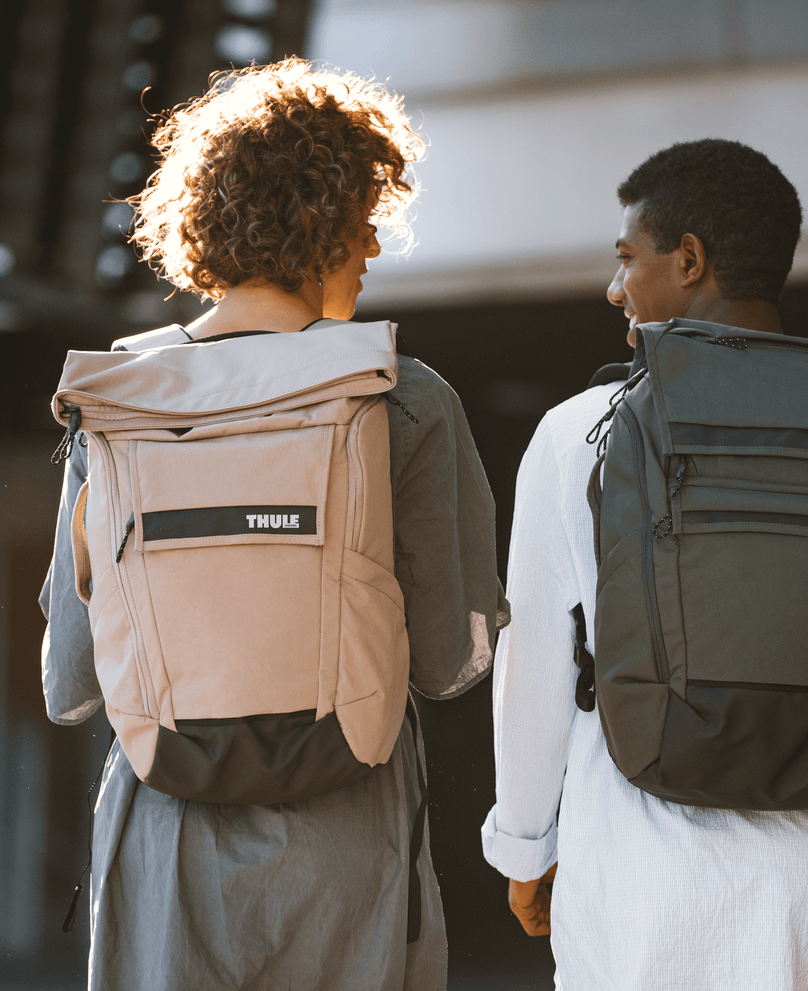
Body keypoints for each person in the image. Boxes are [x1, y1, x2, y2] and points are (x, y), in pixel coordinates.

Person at [41, 57, 508, 991]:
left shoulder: (118, 401)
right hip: (347, 829)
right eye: (368, 219)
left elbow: (69, 681)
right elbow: (450, 664)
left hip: (166, 827)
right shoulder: (400, 397)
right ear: (328, 222)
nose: (373, 248)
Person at [481, 138, 808, 990]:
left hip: (634, 883)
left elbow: (532, 660)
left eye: (626, 259)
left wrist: (525, 847)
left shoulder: (581, 432)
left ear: (687, 260)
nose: (615, 288)